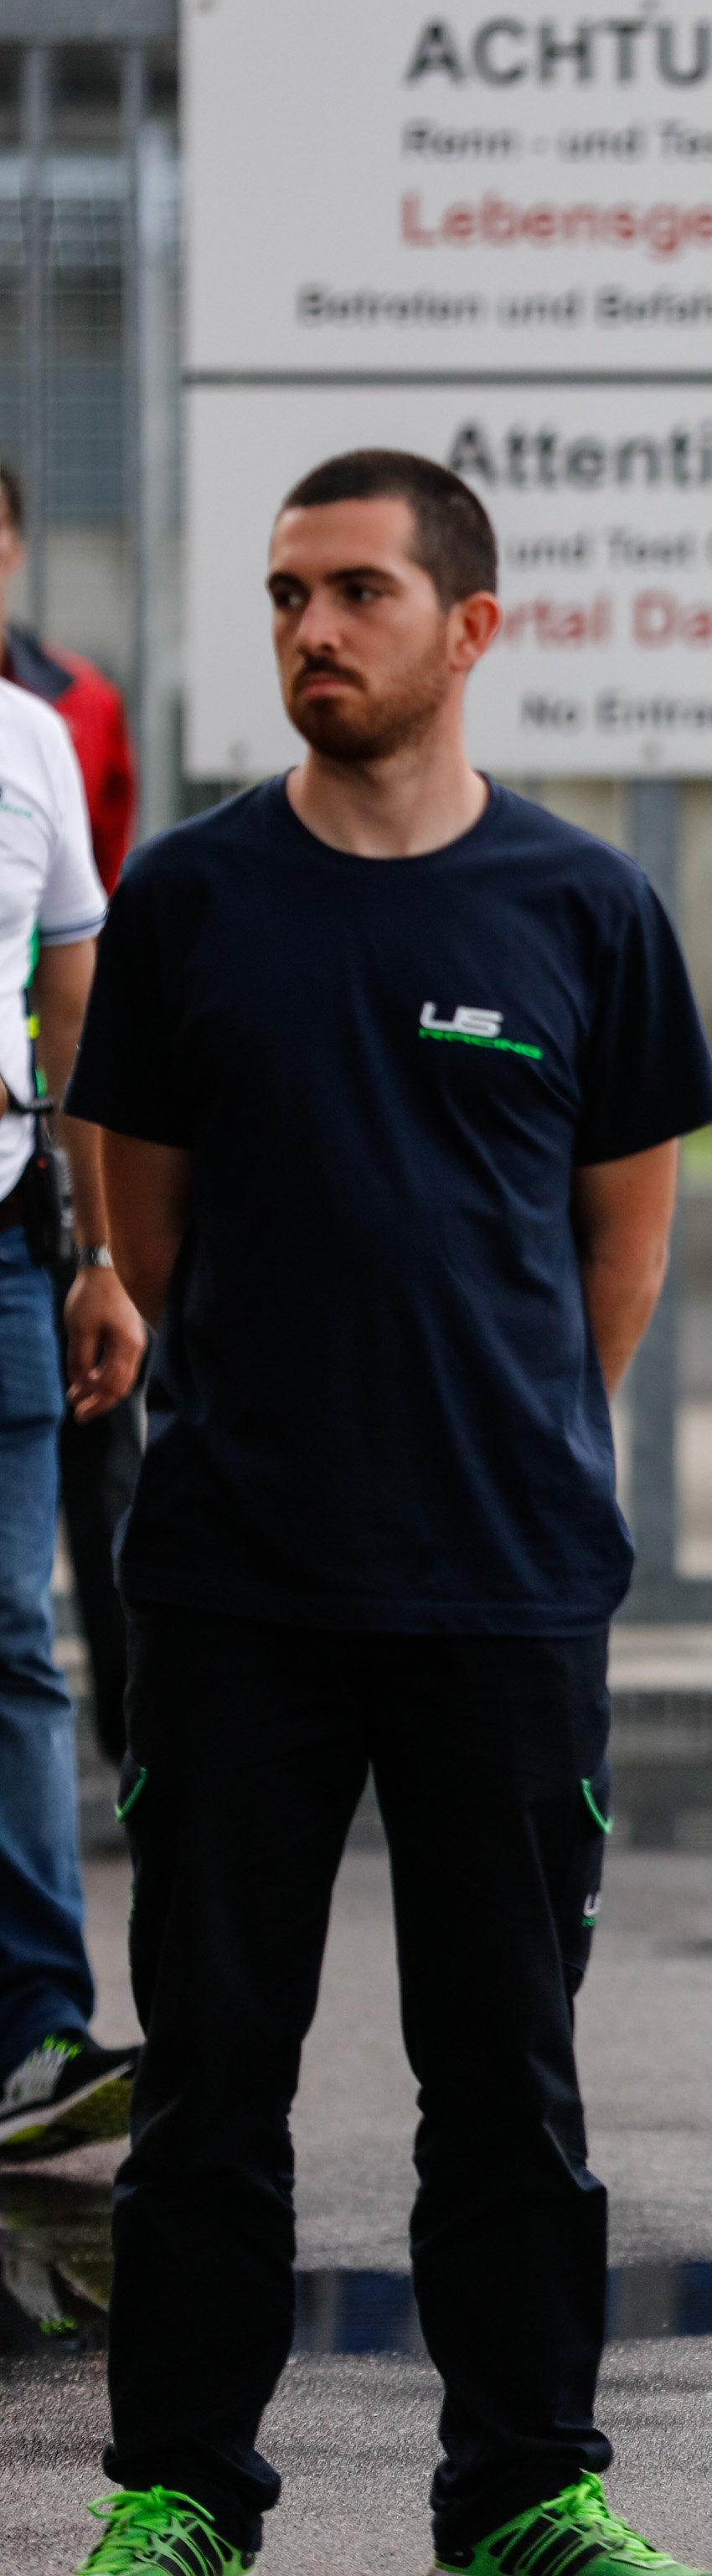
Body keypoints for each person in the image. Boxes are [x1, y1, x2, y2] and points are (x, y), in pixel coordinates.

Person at [60, 451, 712, 2576]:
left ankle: (523, 2490)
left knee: (507, 2079)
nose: (312, 631)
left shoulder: (585, 908)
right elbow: (149, 1233)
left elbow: (617, 1252)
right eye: (287, 595)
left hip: (506, 1589)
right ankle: (183, 2490)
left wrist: (502, 1440)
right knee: (212, 2081)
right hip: (237, 1581)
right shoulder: (189, 902)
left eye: (356, 591)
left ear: (472, 626)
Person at [0, 664, 147, 2172]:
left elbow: (76, 999)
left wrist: (97, 1254)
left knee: (12, 1639)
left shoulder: (38, 735)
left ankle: (37, 2029)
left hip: (8, 1242)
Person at [0, 459, 145, 1768]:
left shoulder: (67, 710)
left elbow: (81, 943)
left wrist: (94, 1232)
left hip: (27, 1173)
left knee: (95, 1476)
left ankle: (134, 1742)